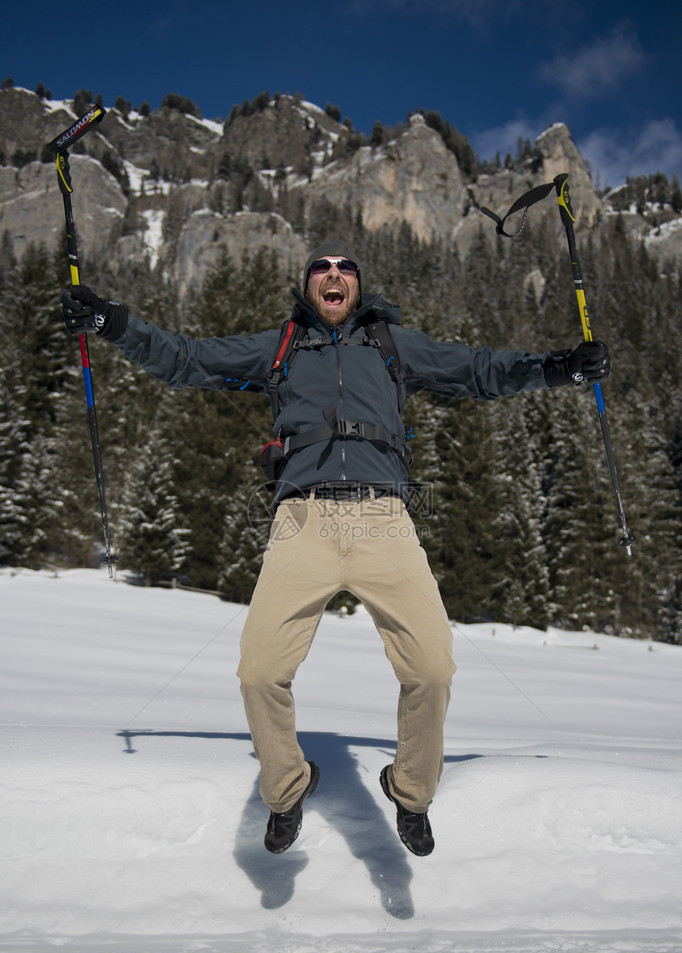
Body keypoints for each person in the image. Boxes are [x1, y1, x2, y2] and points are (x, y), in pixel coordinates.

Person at [61, 240, 609, 857]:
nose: (333, 274)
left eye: (345, 267)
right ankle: (289, 787)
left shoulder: (391, 345)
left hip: (385, 519)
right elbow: (185, 360)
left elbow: (480, 370)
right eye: (321, 267)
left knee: (431, 668)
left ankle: (410, 792)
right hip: (303, 520)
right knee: (260, 672)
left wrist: (562, 367)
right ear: (308, 284)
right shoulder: (282, 347)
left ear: (358, 286)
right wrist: (111, 321)